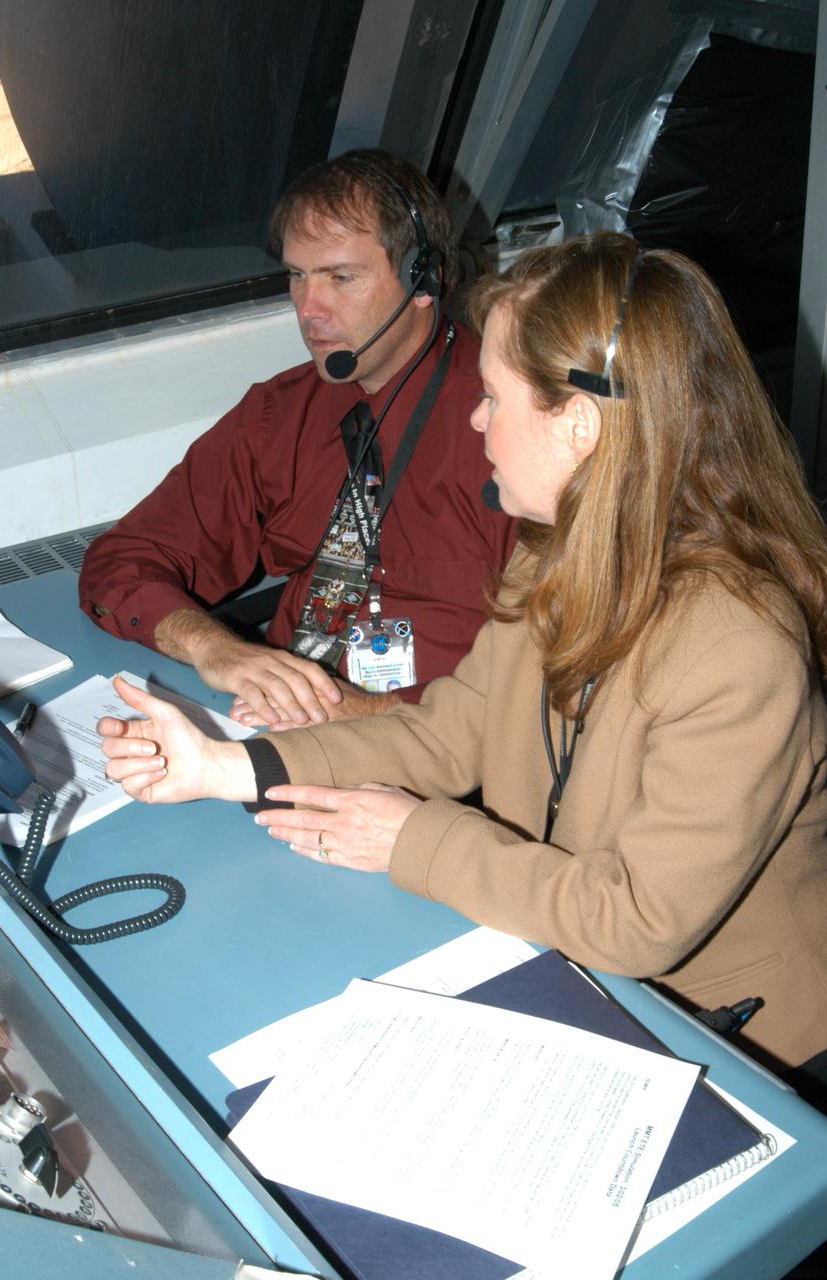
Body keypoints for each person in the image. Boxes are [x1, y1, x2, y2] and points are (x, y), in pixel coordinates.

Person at [97, 231, 827, 1083]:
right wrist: (227, 767)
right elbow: (453, 733)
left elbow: (637, 922)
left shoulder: (737, 645)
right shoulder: (556, 552)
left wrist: (414, 837)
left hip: (726, 1039)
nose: (475, 419)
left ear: (579, 425)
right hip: (569, 962)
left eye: (492, 396)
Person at [79, 149, 515, 730]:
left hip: (430, 755)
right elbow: (121, 562)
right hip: (271, 722)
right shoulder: (283, 412)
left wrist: (358, 714)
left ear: (423, 279)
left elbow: (547, 697)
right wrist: (218, 650)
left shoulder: (513, 431)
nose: (310, 310)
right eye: (296, 276)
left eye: (340, 277)